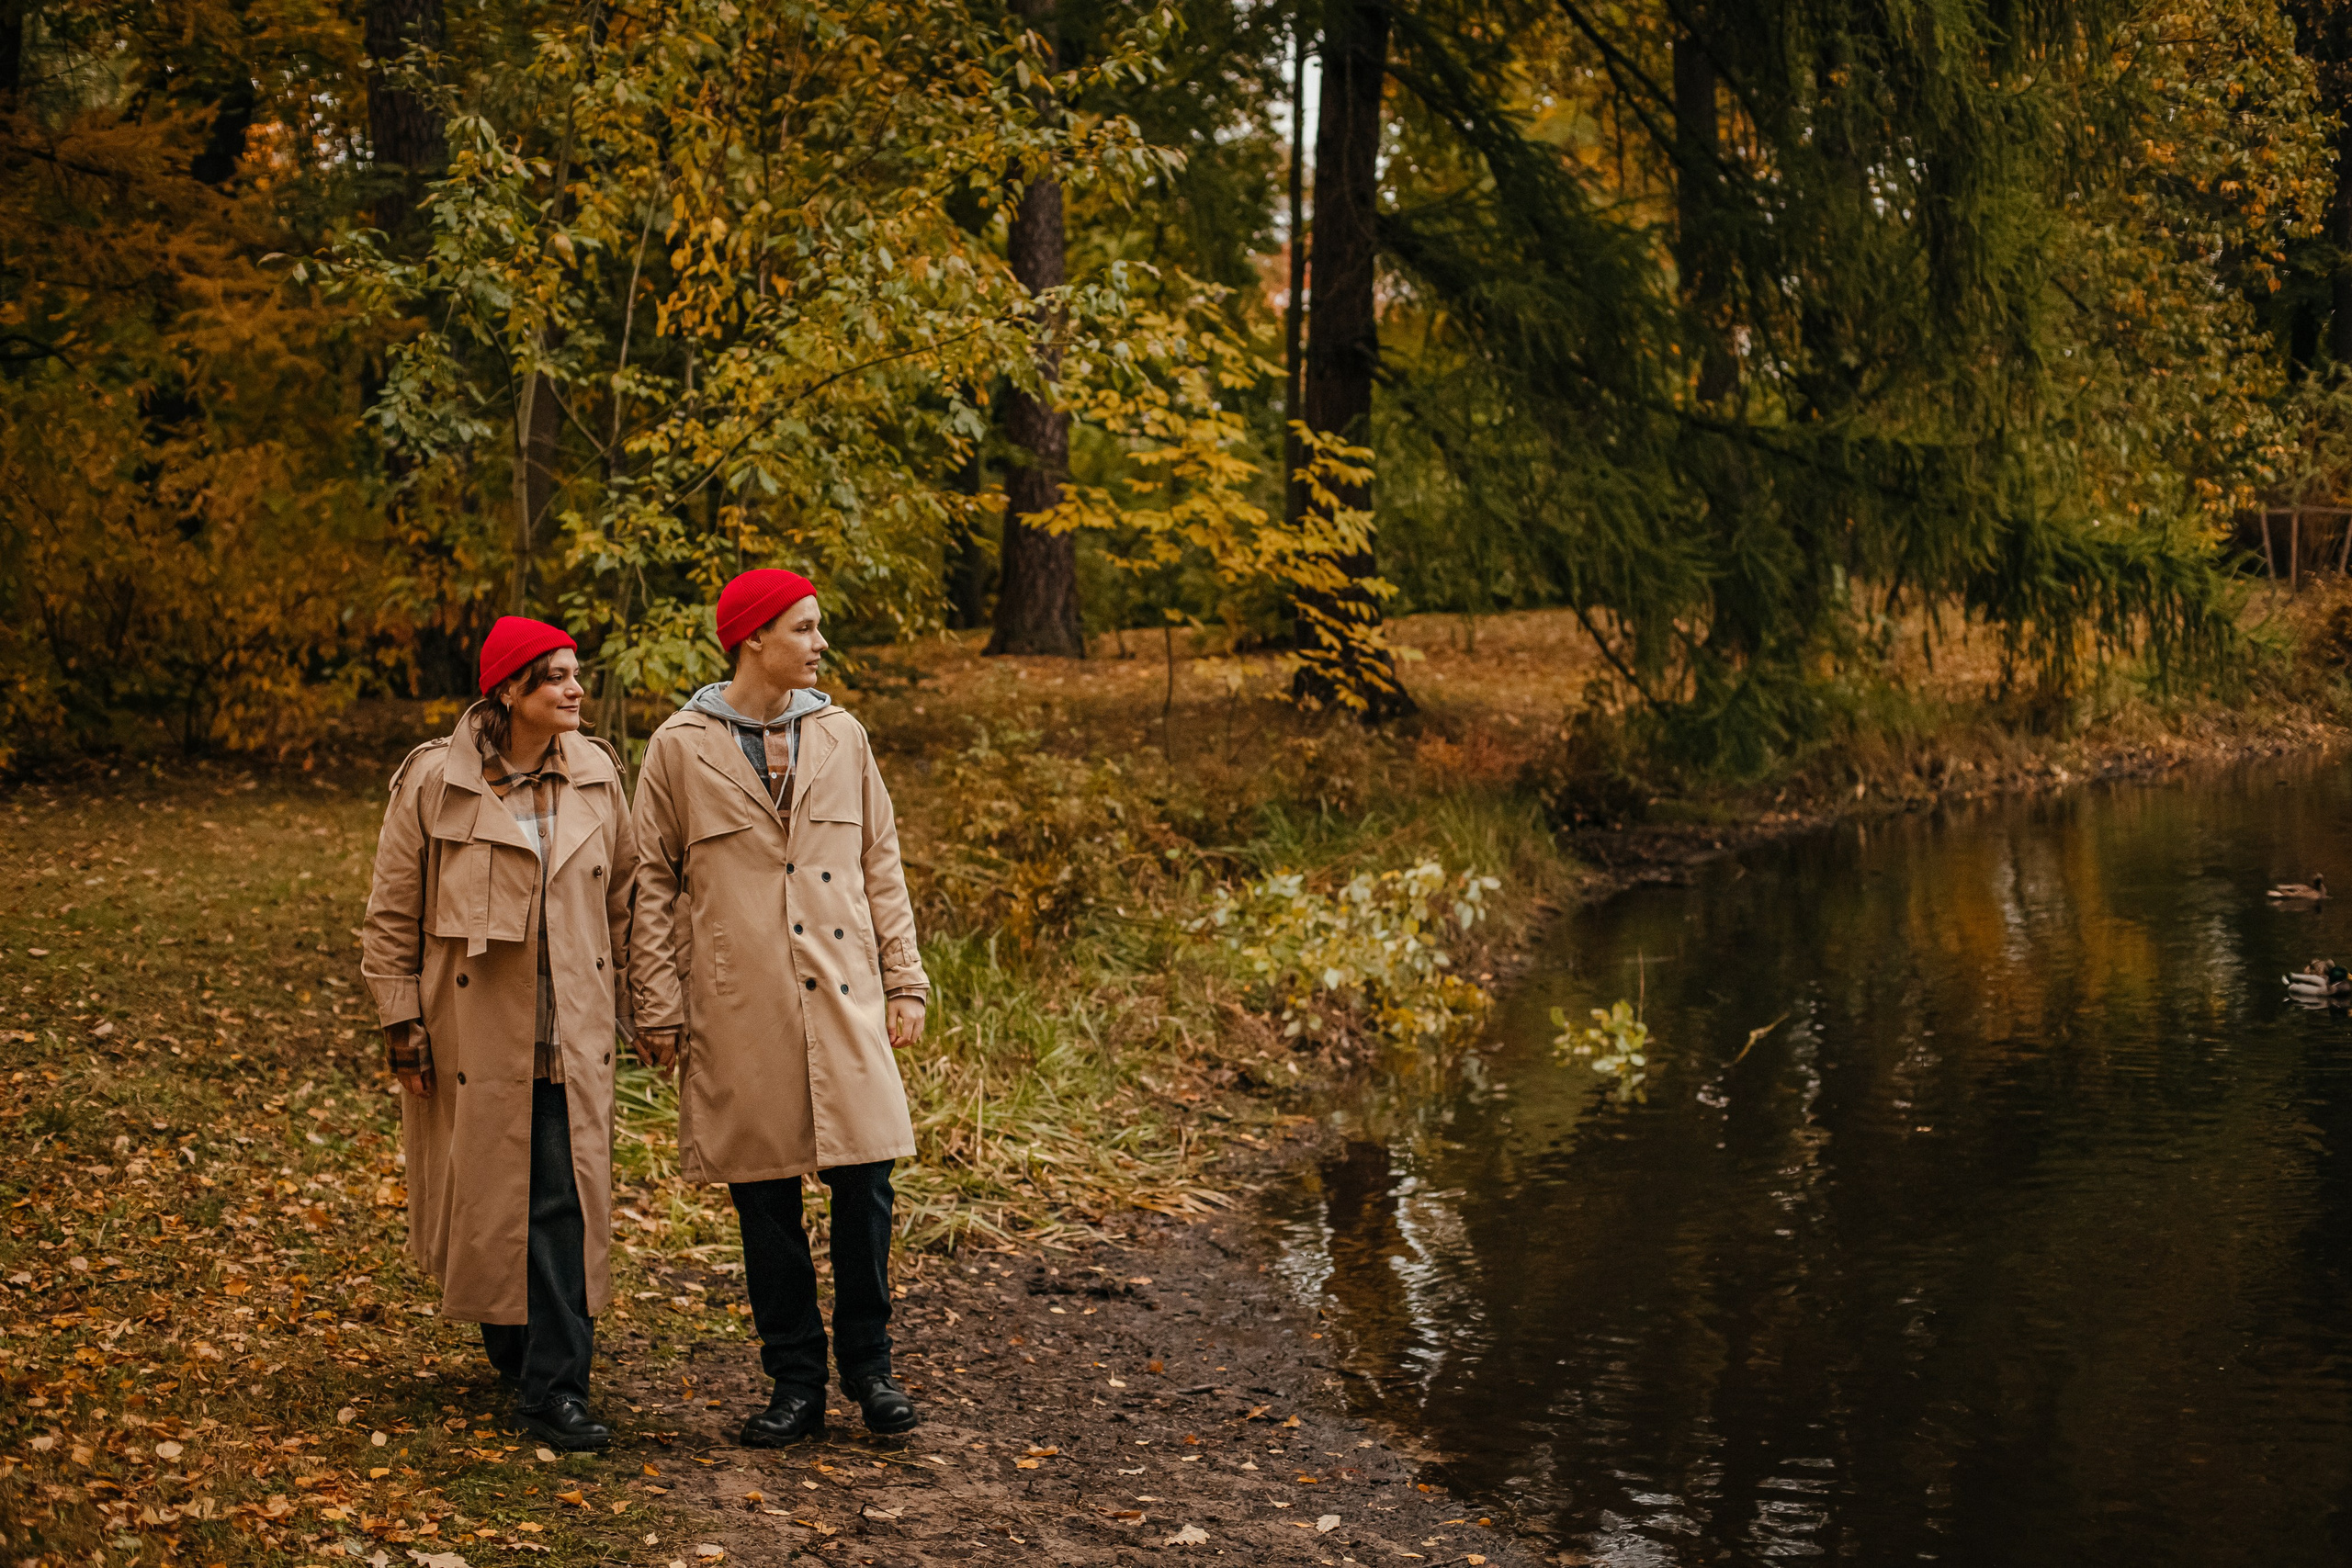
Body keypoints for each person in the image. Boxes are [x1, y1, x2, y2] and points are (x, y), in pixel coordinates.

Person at [630, 568, 931, 1445]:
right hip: (739, 1004)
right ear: (753, 637)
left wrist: (905, 980)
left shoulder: (843, 736)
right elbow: (650, 881)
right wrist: (658, 1003)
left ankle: (871, 1370)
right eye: (804, 627)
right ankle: (795, 1382)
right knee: (763, 1200)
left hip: (845, 997)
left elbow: (881, 862)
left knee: (866, 1184)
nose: (820, 642)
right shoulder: (678, 748)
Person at [360, 615, 640, 1451]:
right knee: (492, 1192)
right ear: (511, 690)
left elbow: (627, 902)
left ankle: (557, 1388)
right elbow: (392, 913)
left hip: (570, 1031)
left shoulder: (598, 774)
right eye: (555, 675)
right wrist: (402, 1025)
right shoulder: (433, 781)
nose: (575, 688)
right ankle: (515, 1339)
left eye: (575, 672)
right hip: (474, 1036)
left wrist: (648, 1006)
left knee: (562, 1196)